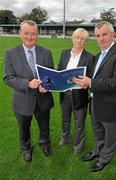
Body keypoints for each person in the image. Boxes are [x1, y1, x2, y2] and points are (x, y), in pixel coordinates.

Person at [74, 21, 116, 171]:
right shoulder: (97, 56)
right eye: (98, 35)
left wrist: (90, 82)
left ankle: (105, 158)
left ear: (113, 34)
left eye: (104, 34)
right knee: (98, 132)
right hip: (95, 103)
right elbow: (92, 77)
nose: (101, 38)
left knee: (110, 136)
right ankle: (96, 151)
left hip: (111, 106)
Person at [3, 20, 54, 162]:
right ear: (20, 34)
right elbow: (8, 78)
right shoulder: (10, 53)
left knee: (44, 126)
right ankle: (26, 148)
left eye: (33, 34)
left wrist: (47, 86)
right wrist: (27, 83)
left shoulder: (46, 52)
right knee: (24, 128)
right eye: (26, 33)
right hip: (22, 100)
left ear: (37, 34)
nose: (30, 37)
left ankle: (44, 144)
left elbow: (50, 75)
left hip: (43, 99)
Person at [58, 28, 94, 154]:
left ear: (85, 41)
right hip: (65, 93)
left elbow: (91, 78)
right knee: (65, 119)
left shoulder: (90, 57)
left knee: (79, 122)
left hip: (79, 95)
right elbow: (59, 71)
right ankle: (65, 138)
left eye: (82, 38)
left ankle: (77, 147)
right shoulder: (64, 53)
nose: (79, 40)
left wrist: (87, 84)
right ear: (72, 38)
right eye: (77, 37)